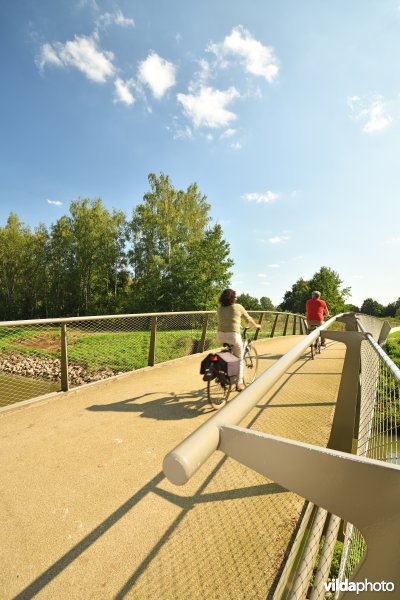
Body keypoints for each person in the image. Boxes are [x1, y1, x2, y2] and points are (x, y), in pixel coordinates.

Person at [217, 289, 261, 391]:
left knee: (230, 354)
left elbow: (228, 319)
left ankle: (222, 372)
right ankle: (239, 383)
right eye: (235, 297)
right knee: (240, 359)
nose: (236, 299)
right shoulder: (238, 307)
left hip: (220, 335)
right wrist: (256, 326)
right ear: (232, 298)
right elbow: (248, 319)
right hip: (233, 336)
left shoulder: (219, 309)